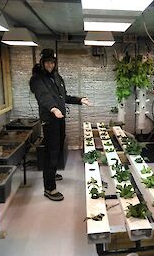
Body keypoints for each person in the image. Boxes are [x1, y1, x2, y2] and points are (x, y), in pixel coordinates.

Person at [30, 48, 90, 201]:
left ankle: (52, 172)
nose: (50, 65)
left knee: (58, 147)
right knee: (51, 151)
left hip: (60, 118)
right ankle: (49, 188)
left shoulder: (57, 77)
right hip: (50, 119)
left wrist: (79, 100)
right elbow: (43, 96)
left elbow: (63, 96)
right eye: (47, 62)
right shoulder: (37, 79)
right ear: (42, 63)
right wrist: (53, 108)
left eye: (52, 62)